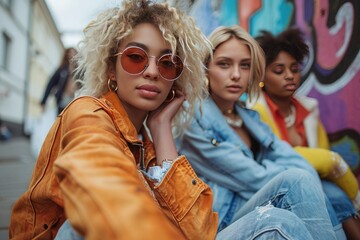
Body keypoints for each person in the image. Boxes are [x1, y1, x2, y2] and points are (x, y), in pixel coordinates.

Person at [7, 1, 337, 240]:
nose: (152, 70)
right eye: (136, 57)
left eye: (168, 63)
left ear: (177, 78)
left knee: (282, 217)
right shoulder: (88, 113)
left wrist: (163, 128)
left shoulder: (150, 136)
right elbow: (104, 188)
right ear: (110, 68)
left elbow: (199, 230)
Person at [175, 25, 347, 239]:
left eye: (245, 66)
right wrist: (280, 169)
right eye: (224, 64)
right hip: (222, 221)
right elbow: (250, 177)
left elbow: (296, 160)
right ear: (205, 68)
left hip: (251, 205)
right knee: (297, 182)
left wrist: (282, 169)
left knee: (330, 191)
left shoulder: (249, 118)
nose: (236, 75)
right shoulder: (192, 118)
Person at [253, 28, 360, 239]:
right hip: (278, 186)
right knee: (334, 196)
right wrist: (327, 161)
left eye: (294, 69)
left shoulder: (309, 109)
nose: (289, 76)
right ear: (263, 75)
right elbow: (319, 160)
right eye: (279, 70)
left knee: (336, 196)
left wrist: (326, 160)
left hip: (313, 181)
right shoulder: (255, 112)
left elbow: (322, 156)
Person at [40, 47, 78, 114]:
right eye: (70, 53)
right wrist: (43, 102)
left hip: (76, 101)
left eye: (74, 52)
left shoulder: (79, 71)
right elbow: (50, 84)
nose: (72, 55)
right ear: (66, 55)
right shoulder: (62, 70)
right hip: (63, 102)